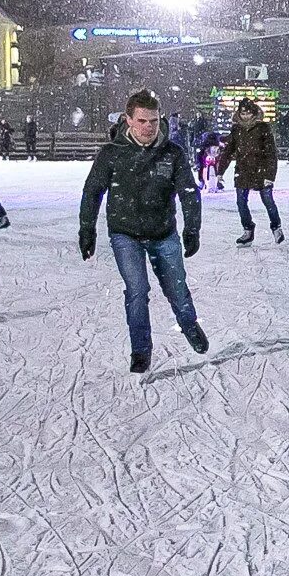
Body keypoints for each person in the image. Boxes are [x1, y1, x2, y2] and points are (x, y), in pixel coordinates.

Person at [79, 88, 207, 374]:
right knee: (137, 291)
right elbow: (92, 191)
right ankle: (141, 350)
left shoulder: (171, 153)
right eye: (141, 121)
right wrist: (87, 229)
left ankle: (189, 324)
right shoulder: (112, 154)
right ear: (128, 120)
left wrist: (192, 229)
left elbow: (188, 192)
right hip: (125, 233)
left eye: (153, 121)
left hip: (163, 232)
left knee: (176, 288)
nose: (148, 127)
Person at [225, 97, 283, 245]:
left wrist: (270, 175)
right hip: (243, 170)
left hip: (261, 170)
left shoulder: (263, 128)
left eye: (248, 114)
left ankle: (276, 227)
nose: (245, 117)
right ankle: (248, 229)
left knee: (268, 200)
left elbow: (271, 153)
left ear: (254, 113)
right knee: (241, 202)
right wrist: (220, 171)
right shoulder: (236, 129)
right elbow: (228, 150)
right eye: (243, 114)